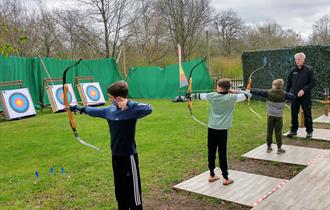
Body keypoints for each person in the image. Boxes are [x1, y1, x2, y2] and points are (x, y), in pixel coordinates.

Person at [70, 81, 152, 210]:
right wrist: (78, 108)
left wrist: (128, 103)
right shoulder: (110, 110)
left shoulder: (131, 111)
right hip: (116, 157)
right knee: (119, 191)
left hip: (129, 157)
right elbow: (95, 111)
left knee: (133, 193)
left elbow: (149, 108)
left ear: (118, 98)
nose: (109, 99)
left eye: (110, 97)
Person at [188, 78, 251, 185]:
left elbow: (198, 95)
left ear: (221, 88)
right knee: (222, 153)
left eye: (217, 86)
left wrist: (189, 94)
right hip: (222, 131)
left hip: (211, 128)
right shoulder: (233, 97)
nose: (216, 88)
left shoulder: (212, 95)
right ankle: (225, 178)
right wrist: (236, 91)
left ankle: (212, 174)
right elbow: (248, 95)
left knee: (211, 151)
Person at [250, 79, 296, 154]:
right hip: (279, 116)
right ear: (281, 86)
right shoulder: (285, 94)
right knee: (278, 132)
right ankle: (279, 148)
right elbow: (293, 97)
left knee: (269, 131)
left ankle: (269, 147)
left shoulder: (268, 92)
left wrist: (249, 90)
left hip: (270, 115)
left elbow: (257, 91)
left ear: (274, 85)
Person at [286, 52, 315, 138]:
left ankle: (309, 131)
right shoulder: (293, 70)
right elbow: (289, 83)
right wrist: (286, 94)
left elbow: (313, 83)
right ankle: (293, 130)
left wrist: (303, 90)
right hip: (294, 97)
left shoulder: (309, 70)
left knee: (307, 113)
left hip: (305, 97)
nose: (297, 61)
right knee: (294, 114)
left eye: (298, 59)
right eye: (296, 59)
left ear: (303, 59)